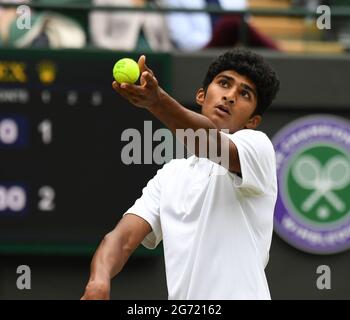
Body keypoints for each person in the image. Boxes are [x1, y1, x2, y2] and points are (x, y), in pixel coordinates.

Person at [81, 49, 280, 300]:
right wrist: (99, 280)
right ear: (201, 95)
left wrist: (157, 101)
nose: (230, 96)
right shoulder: (170, 176)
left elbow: (205, 141)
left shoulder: (258, 148)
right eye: (224, 84)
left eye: (244, 94)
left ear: (253, 121)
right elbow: (121, 240)